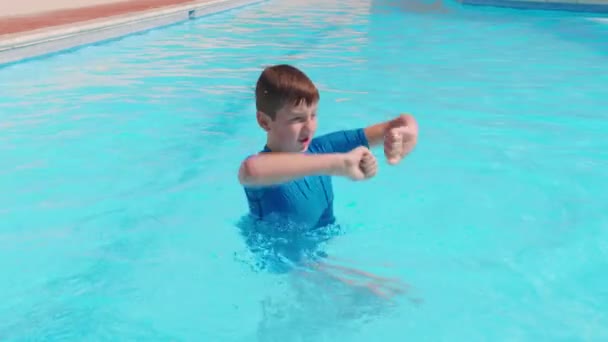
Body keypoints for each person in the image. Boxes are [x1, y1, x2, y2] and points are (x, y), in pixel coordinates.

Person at [236, 64, 419, 298]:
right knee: (384, 297)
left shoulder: (321, 148)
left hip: (316, 254)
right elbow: (251, 170)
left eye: (313, 115)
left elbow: (395, 124)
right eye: (297, 118)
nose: (309, 125)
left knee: (396, 293)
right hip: (283, 266)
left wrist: (408, 130)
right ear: (264, 122)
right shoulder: (264, 168)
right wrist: (338, 164)